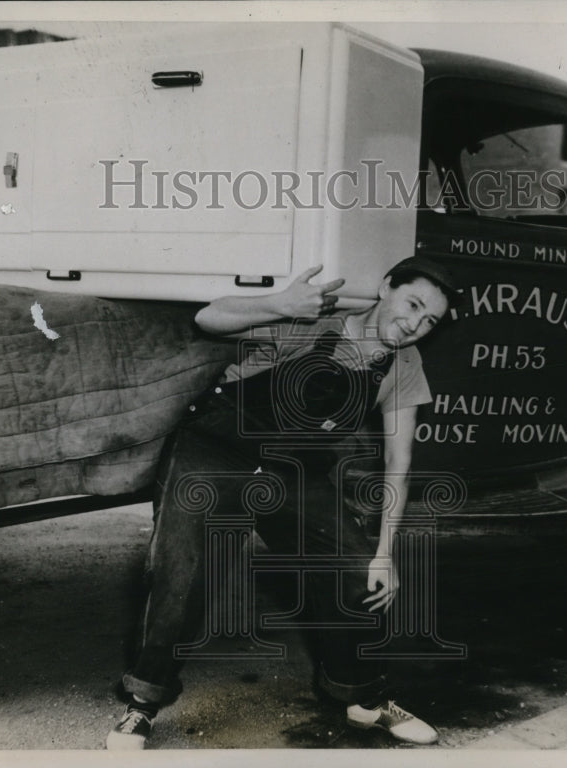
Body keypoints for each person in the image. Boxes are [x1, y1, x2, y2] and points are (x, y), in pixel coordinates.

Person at [107, 256, 458, 749]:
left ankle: (364, 700)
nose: (414, 324)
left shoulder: (403, 364)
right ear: (385, 287)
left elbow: (399, 464)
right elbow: (209, 318)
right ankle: (142, 705)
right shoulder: (311, 318)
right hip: (217, 447)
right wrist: (279, 302)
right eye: (413, 304)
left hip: (289, 471)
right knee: (182, 569)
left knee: (357, 571)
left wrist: (384, 554)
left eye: (429, 321)